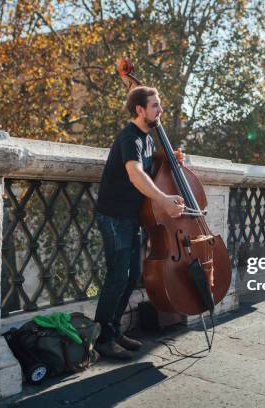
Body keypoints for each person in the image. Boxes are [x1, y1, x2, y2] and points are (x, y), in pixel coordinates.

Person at [94, 86, 185, 360]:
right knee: (117, 276)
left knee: (132, 276)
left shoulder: (146, 140)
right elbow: (135, 174)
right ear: (140, 110)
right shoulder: (129, 137)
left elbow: (147, 166)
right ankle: (102, 339)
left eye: (160, 105)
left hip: (131, 218)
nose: (160, 110)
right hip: (114, 216)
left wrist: (165, 158)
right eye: (155, 105)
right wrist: (164, 200)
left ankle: (114, 331)